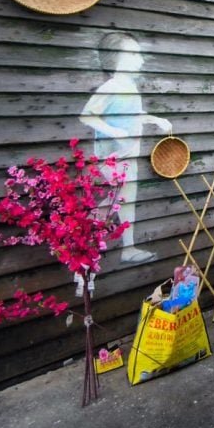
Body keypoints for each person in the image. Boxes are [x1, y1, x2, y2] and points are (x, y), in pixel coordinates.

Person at [80, 32, 172, 266]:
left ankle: (123, 247)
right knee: (119, 198)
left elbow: (132, 114)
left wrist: (153, 119)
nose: (140, 59)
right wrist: (115, 132)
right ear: (115, 58)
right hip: (112, 157)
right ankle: (86, 239)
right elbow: (87, 116)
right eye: (134, 54)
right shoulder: (111, 86)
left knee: (124, 199)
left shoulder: (129, 86)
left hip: (128, 155)